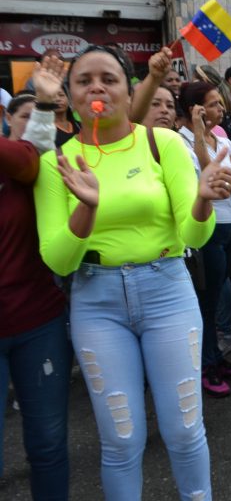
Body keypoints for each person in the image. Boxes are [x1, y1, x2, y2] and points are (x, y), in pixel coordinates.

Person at [34, 44, 231, 499]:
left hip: (168, 290)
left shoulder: (160, 144)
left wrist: (203, 198)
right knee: (122, 440)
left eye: (109, 78)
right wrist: (87, 210)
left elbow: (193, 236)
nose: (97, 87)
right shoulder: (55, 163)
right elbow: (58, 260)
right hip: (96, 303)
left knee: (184, 429)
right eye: (84, 80)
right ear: (69, 95)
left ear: (129, 90)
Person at [1, 60, 72, 500]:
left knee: (46, 443)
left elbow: (35, 152)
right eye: (21, 115)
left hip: (36, 324)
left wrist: (45, 100)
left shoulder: (20, 162)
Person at [177, 81, 231, 396]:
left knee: (221, 296)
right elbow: (208, 177)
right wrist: (196, 133)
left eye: (222, 103)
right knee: (206, 301)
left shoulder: (220, 136)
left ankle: (217, 358)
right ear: (196, 108)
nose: (222, 109)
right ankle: (206, 365)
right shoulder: (181, 140)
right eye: (214, 104)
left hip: (230, 224)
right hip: (207, 228)